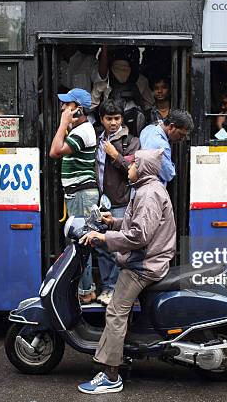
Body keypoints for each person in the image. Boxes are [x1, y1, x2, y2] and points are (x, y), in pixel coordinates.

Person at [77, 149, 176, 394]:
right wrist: (113, 223)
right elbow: (140, 226)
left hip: (143, 265)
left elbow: (140, 236)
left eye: (132, 165)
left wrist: (103, 237)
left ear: (142, 168)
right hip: (150, 258)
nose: (128, 168)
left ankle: (111, 375)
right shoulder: (146, 190)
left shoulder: (148, 194)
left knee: (115, 312)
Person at [49, 88, 99, 304]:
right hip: (78, 195)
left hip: (81, 196)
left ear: (78, 109)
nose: (62, 108)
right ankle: (85, 289)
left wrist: (62, 124)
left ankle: (85, 291)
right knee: (79, 241)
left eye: (67, 105)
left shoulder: (82, 132)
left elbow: (54, 152)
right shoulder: (80, 129)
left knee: (80, 242)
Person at [95, 99, 141, 306]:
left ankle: (114, 288)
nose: (113, 123)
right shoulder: (96, 139)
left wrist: (115, 156)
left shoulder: (131, 141)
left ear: (122, 119)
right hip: (100, 201)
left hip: (122, 200)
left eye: (117, 119)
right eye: (109, 119)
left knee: (120, 247)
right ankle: (107, 287)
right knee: (101, 247)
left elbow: (133, 171)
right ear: (101, 120)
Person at [139, 109, 193, 185]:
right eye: (181, 134)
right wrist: (171, 165)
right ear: (171, 126)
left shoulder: (149, 129)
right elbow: (168, 175)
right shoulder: (161, 146)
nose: (182, 139)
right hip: (152, 191)